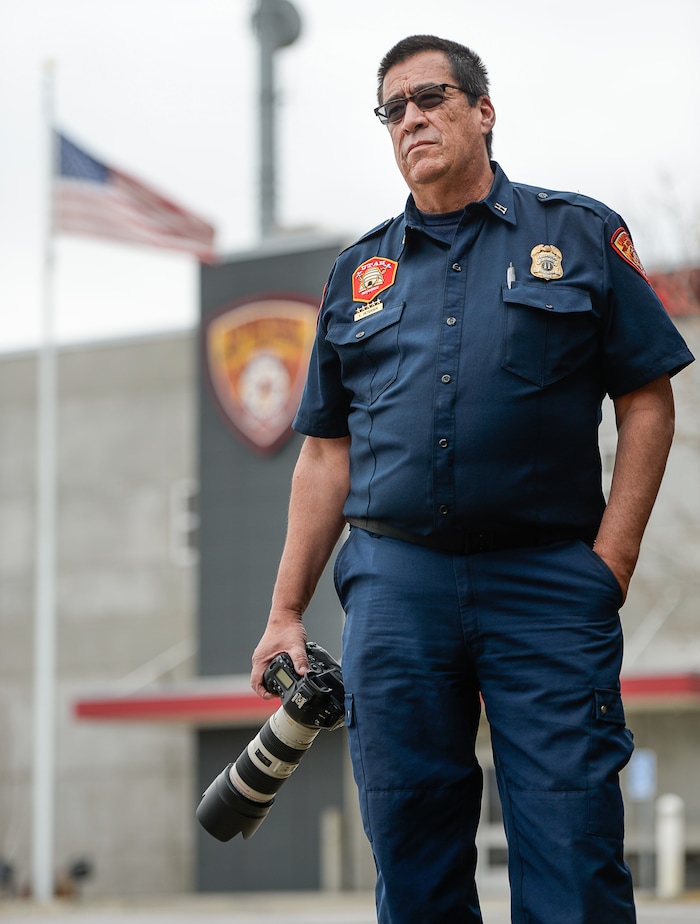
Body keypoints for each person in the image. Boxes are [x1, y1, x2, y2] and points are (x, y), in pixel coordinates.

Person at [250, 34, 694, 924]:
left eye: (431, 98)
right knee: (413, 857)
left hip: (546, 582)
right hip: (396, 589)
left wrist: (611, 560)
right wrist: (286, 611)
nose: (411, 117)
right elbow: (326, 454)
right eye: (393, 108)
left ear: (482, 111)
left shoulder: (577, 234)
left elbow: (646, 400)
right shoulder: (357, 274)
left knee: (573, 853)